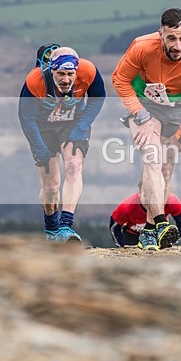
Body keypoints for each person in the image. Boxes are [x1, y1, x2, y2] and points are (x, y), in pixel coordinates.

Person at [111, 8, 181, 251]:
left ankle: (149, 227)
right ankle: (157, 224)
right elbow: (120, 80)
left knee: (166, 169)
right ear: (161, 34)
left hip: (177, 106)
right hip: (144, 104)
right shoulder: (142, 47)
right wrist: (142, 115)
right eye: (171, 38)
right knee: (153, 159)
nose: (177, 45)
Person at [18, 44, 106, 243]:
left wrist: (82, 126)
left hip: (73, 123)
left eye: (70, 74)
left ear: (77, 70)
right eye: (60, 74)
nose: (66, 79)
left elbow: (98, 97)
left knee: (74, 166)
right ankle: (52, 230)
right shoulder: (35, 80)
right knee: (52, 184)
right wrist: (40, 148)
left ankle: (66, 226)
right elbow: (26, 118)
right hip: (42, 127)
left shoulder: (88, 71)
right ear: (51, 70)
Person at [109, 185, 181, 248]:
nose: (150, 201)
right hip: (132, 237)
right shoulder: (126, 206)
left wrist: (171, 240)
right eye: (146, 195)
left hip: (158, 235)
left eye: (154, 197)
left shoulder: (171, 200)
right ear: (139, 193)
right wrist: (122, 246)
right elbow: (114, 228)